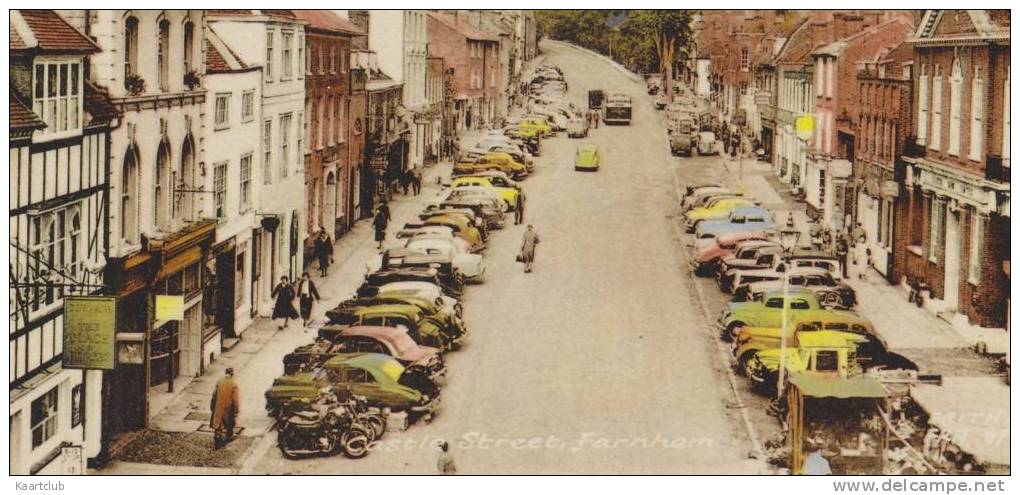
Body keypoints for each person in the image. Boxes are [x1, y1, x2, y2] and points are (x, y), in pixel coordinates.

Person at [210, 367, 240, 449]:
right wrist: (236, 410)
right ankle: (229, 436)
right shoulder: (233, 384)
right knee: (229, 423)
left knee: (219, 423)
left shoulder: (220, 381)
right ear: (232, 374)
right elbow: (235, 399)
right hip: (228, 407)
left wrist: (212, 405)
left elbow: (214, 395)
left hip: (219, 406)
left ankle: (217, 437)